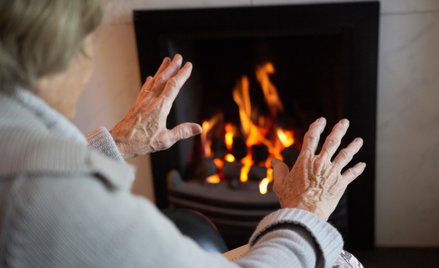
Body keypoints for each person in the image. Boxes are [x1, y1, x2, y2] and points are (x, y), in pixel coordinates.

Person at [0, 1, 366, 267]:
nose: (89, 61)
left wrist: (118, 143)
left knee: (190, 225)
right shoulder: (49, 197)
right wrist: (306, 213)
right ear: (46, 63)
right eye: (85, 44)